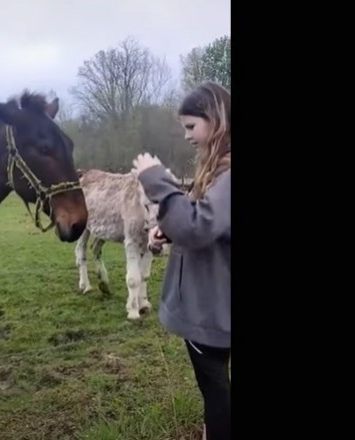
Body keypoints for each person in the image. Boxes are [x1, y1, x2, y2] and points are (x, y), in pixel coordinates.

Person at [132, 81, 231, 440]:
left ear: (216, 119)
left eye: (191, 126)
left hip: (212, 308)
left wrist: (156, 180)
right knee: (216, 388)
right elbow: (209, 220)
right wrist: (170, 230)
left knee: (215, 389)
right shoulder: (217, 169)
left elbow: (200, 225)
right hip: (215, 303)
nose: (187, 135)